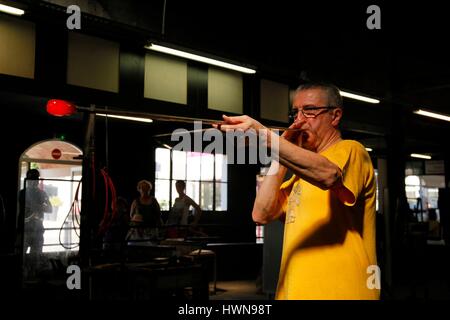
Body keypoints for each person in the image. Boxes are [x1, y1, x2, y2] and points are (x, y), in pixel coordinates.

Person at [215, 82, 379, 300]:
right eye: (295, 113)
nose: (299, 120)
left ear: (335, 116)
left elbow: (329, 175)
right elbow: (261, 213)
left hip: (343, 291)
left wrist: (265, 136)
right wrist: (281, 152)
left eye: (309, 110)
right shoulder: (301, 176)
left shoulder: (351, 150)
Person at [18, 169, 52, 276]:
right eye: (31, 180)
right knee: (20, 257)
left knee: (36, 257)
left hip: (37, 230)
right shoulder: (22, 193)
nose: (33, 182)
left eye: (35, 180)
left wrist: (35, 207)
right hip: (25, 230)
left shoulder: (42, 193)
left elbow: (50, 209)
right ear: (27, 181)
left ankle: (33, 276)